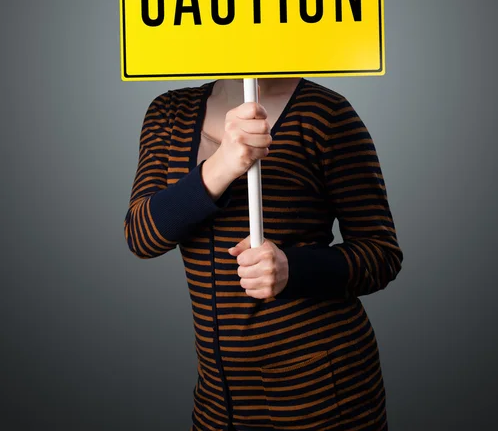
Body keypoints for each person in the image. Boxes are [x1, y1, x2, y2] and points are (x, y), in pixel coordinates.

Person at [123, 77, 403, 431]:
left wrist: (293, 269)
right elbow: (141, 236)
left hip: (319, 391)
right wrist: (222, 164)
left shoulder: (325, 113)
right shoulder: (169, 113)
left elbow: (381, 253)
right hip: (218, 396)